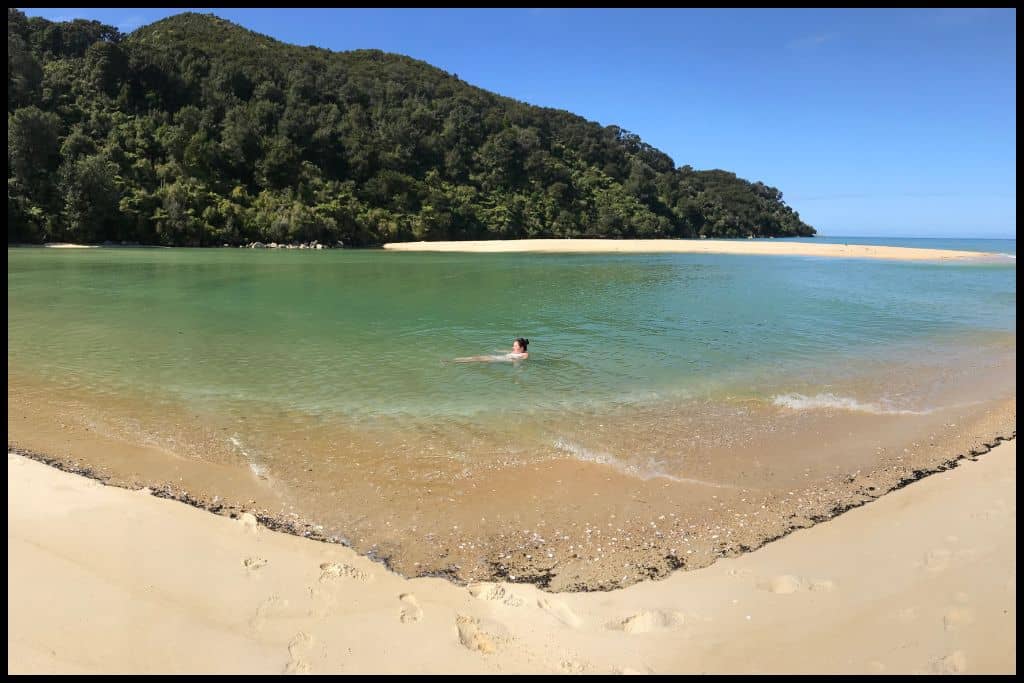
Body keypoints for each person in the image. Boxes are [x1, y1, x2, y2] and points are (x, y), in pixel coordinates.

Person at [455, 338, 529, 363]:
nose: (513, 347)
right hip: (497, 358)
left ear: (522, 348)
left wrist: (515, 361)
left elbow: (522, 359)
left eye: (515, 346)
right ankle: (456, 360)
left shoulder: (524, 354)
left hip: (498, 360)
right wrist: (498, 350)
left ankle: (454, 361)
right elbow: (508, 352)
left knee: (476, 359)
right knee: (476, 358)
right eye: (513, 345)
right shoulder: (515, 351)